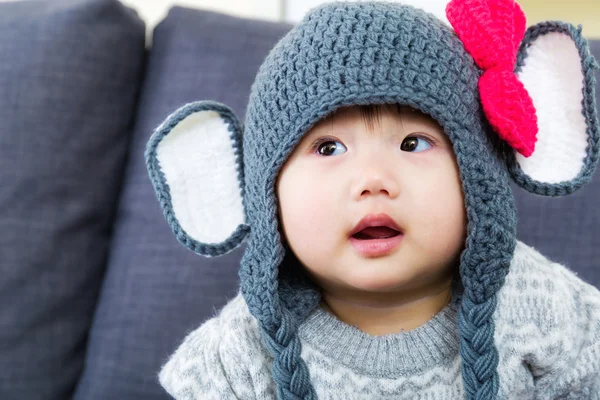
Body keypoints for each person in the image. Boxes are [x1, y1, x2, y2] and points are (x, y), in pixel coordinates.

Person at [145, 0, 600, 398]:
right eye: (328, 149)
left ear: (479, 174)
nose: (373, 180)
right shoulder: (236, 354)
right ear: (263, 197)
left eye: (413, 144)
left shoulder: (543, 306)